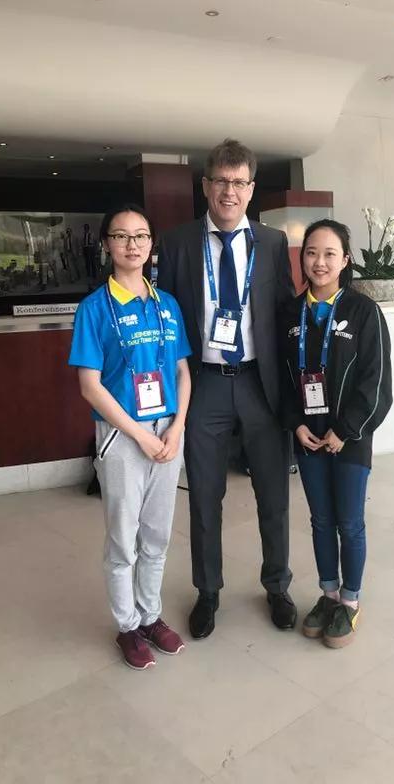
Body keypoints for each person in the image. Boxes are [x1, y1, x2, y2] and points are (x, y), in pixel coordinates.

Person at [157, 138, 297, 638]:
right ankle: (208, 591)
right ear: (205, 185)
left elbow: (285, 314)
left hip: (261, 385)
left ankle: (277, 585)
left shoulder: (273, 243)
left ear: (251, 188)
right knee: (204, 496)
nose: (229, 191)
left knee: (273, 494)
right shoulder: (177, 243)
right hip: (205, 387)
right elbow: (167, 319)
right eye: (221, 181)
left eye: (239, 182)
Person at [68, 203, 192, 670]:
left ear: (151, 244)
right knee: (123, 539)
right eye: (121, 236)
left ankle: (151, 616)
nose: (132, 244)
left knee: (157, 535)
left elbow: (182, 372)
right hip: (122, 437)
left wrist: (177, 427)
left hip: (167, 433)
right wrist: (140, 435)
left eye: (140, 235)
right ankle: (127, 626)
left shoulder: (167, 304)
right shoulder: (94, 309)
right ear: (107, 244)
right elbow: (90, 385)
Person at [280, 219, 392, 648]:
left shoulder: (364, 312)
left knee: (349, 521)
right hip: (309, 437)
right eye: (311, 252)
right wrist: (296, 423)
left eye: (330, 254)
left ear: (345, 260)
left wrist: (345, 431)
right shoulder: (290, 313)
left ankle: (350, 601)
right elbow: (282, 379)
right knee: (321, 520)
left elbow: (376, 383)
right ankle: (328, 595)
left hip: (350, 439)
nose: (319, 262)